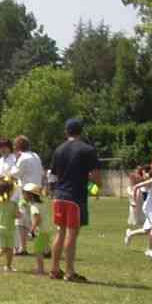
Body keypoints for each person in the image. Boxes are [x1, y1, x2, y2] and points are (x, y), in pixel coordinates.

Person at [49, 119, 100, 281]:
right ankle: (69, 272)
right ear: (81, 132)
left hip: (59, 196)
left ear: (66, 132)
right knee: (72, 233)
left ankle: (55, 269)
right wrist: (95, 187)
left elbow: (53, 175)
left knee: (60, 231)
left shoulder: (58, 150)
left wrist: (53, 191)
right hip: (75, 197)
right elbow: (95, 177)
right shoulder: (87, 150)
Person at [125, 165, 152, 257]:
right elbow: (136, 187)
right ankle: (149, 250)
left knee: (146, 231)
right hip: (148, 208)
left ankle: (130, 234)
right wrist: (134, 200)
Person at [10, 136, 43, 255]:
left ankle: (23, 248)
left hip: (26, 192)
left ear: (18, 147)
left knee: (21, 221)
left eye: (14, 146)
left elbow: (14, 174)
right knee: (37, 221)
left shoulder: (22, 157)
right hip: (37, 191)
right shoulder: (36, 156)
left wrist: (16, 161)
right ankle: (45, 248)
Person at [0, 178, 18, 273]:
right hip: (10, 229)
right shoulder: (13, 204)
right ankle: (8, 266)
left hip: (0, 229)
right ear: (9, 192)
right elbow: (17, 215)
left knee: (1, 248)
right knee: (10, 249)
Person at [22, 183, 49, 275]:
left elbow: (37, 219)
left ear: (31, 195)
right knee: (40, 250)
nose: (23, 195)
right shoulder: (41, 204)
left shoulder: (34, 207)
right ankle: (40, 268)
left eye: (25, 193)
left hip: (40, 232)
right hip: (45, 231)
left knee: (38, 252)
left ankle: (40, 270)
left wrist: (31, 231)